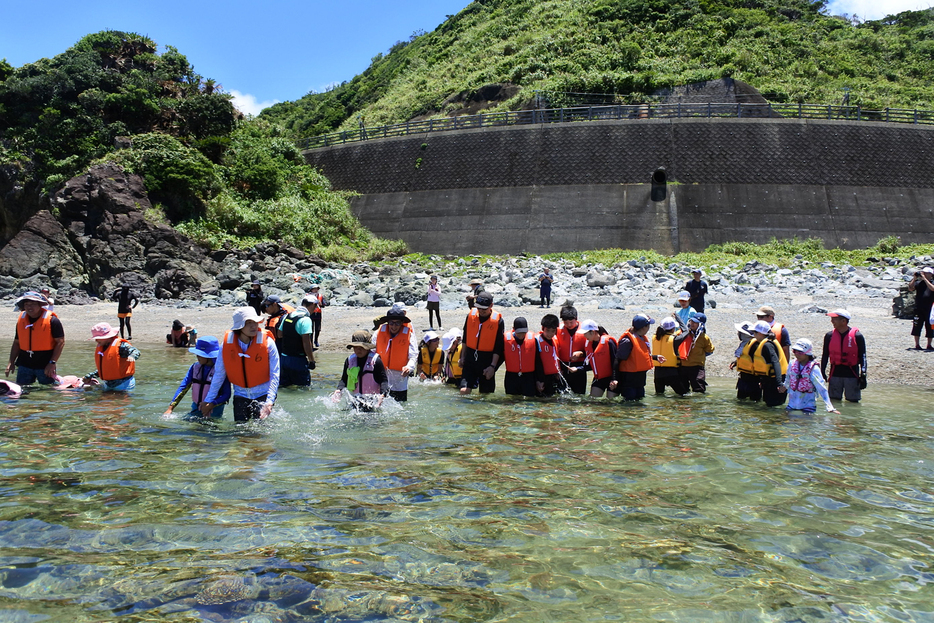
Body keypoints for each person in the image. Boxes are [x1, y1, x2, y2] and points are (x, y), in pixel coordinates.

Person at [200, 307, 280, 421]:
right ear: (239, 326)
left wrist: (269, 402)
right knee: (240, 432)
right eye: (248, 323)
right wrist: (208, 400)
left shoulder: (268, 343)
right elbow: (219, 374)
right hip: (240, 395)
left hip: (263, 394)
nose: (254, 326)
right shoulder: (226, 345)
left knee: (261, 434)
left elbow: (275, 374)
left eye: (255, 322)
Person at [164, 336, 231, 421]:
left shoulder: (220, 372)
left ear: (209, 356)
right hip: (196, 408)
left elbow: (227, 394)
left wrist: (211, 404)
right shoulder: (194, 368)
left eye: (200, 355)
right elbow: (183, 387)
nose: (197, 356)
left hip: (214, 412)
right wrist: (170, 408)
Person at [6, 291, 64, 386]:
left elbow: (60, 343)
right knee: (22, 391)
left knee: (48, 390)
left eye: (33, 304)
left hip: (44, 364)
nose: (29, 307)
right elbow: (17, 342)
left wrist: (52, 363)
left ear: (40, 305)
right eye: (27, 304)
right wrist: (11, 362)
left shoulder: (53, 321)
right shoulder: (21, 321)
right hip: (24, 363)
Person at [459, 292, 505, 395]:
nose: (481, 311)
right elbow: (465, 338)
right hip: (470, 357)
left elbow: (498, 346)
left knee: (485, 395)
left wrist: (492, 366)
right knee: (464, 390)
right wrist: (462, 357)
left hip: (487, 360)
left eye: (484, 309)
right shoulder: (470, 316)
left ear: (491, 306)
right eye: (479, 308)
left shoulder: (498, 321)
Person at [779, 338, 839, 414]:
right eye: (795, 351)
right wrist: (784, 387)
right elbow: (788, 379)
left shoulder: (813, 368)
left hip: (807, 406)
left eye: (800, 352)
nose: (796, 354)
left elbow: (822, 388)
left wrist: (830, 407)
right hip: (792, 405)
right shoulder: (792, 364)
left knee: (806, 424)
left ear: (808, 353)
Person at [332, 330, 389, 410]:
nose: (358, 350)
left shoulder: (376, 361)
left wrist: (382, 395)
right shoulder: (349, 361)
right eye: (356, 347)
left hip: (372, 401)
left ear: (368, 347)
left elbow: (384, 381)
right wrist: (338, 390)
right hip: (355, 400)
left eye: (361, 347)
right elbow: (344, 380)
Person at [821, 309, 867, 403]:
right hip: (835, 374)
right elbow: (825, 355)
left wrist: (863, 374)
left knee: (853, 402)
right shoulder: (829, 336)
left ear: (843, 321)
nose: (832, 321)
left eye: (834, 319)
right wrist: (822, 371)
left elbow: (863, 356)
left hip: (852, 374)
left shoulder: (857, 336)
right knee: (833, 402)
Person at [616, 314, 664, 401]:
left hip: (640, 380)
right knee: (630, 403)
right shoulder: (627, 340)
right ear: (643, 327)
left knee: (639, 402)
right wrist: (614, 379)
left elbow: (639, 355)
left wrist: (655, 357)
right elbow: (617, 360)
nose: (649, 328)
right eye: (648, 325)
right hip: (629, 380)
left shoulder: (641, 338)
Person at [375, 303, 417, 402]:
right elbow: (372, 351)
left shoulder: (409, 335)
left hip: (399, 378)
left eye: (397, 323)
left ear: (402, 323)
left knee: (400, 404)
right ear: (388, 322)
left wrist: (409, 367)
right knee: (380, 403)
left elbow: (413, 355)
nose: (394, 326)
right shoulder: (378, 332)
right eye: (391, 323)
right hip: (382, 374)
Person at [276, 295, 317, 388]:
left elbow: (279, 334)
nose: (315, 310)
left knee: (285, 387)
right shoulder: (305, 320)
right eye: (315, 307)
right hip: (298, 360)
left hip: (284, 358)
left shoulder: (287, 316)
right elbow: (306, 343)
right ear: (313, 305)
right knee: (303, 388)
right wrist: (311, 360)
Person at [86, 322, 140, 391]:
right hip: (108, 384)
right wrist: (90, 376)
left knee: (121, 401)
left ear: (108, 337)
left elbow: (135, 351)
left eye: (98, 338)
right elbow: (107, 368)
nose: (96, 340)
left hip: (124, 384)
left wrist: (132, 356)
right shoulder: (103, 347)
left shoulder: (121, 346)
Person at [749, 320, 788, 407]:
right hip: (769, 381)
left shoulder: (767, 345)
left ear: (760, 333)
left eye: (754, 332)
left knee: (773, 407)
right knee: (768, 406)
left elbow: (775, 362)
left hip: (776, 381)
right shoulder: (765, 343)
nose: (753, 335)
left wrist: (779, 383)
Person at [677, 313, 714, 393]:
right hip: (683, 365)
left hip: (697, 367)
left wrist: (699, 356)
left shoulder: (704, 337)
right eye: (691, 321)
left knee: (699, 390)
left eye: (695, 322)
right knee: (682, 390)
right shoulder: (683, 334)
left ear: (700, 324)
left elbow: (710, 350)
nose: (692, 323)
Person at [581, 320, 618, 398]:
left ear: (593, 332)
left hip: (612, 378)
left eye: (585, 333)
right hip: (599, 378)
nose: (584, 336)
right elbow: (593, 364)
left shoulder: (609, 342)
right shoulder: (589, 344)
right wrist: (577, 369)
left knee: (611, 403)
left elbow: (616, 361)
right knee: (592, 401)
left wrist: (614, 379)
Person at [652, 318, 689, 396]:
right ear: (673, 329)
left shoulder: (655, 337)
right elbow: (686, 331)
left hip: (658, 373)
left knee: (659, 396)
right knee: (683, 395)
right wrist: (678, 318)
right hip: (671, 373)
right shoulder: (675, 339)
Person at [556, 305, 587, 394]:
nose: (569, 325)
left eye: (571, 322)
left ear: (576, 319)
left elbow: (592, 351)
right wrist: (557, 369)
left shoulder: (585, 330)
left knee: (579, 395)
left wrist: (581, 353)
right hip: (563, 367)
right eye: (566, 322)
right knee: (561, 396)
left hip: (579, 367)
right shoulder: (558, 329)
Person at [503, 317, 537, 397]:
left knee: (529, 401)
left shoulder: (533, 340)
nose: (521, 335)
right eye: (519, 333)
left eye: (524, 333)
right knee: (511, 400)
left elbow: (538, 361)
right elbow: (500, 357)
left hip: (529, 377)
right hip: (511, 377)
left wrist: (540, 380)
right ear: (513, 329)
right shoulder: (505, 340)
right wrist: (492, 368)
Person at [535, 314, 563, 397]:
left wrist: (558, 371)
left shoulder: (555, 339)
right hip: (541, 378)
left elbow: (556, 357)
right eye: (547, 330)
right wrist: (538, 380)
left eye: (553, 331)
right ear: (542, 328)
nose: (550, 334)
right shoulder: (536, 341)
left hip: (553, 377)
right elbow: (536, 362)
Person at [732, 321, 761, 401]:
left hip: (753, 379)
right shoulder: (744, 344)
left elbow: (757, 361)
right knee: (740, 401)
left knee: (754, 402)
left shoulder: (755, 345)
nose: (738, 334)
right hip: (743, 377)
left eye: (740, 332)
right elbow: (745, 357)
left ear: (744, 334)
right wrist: (736, 362)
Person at [908, 267, 934, 350]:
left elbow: (932, 288)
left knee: (930, 326)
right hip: (919, 308)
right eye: (923, 273)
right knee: (917, 326)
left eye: (926, 273)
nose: (924, 274)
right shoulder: (919, 283)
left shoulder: (932, 282)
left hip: (930, 308)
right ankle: (917, 344)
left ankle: (929, 344)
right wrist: (914, 278)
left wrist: (925, 280)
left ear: (931, 274)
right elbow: (910, 288)